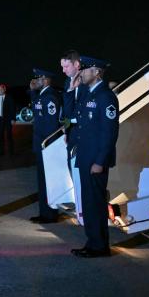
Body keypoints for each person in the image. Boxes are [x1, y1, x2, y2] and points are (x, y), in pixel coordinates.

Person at [71, 57, 119, 258]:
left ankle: (99, 246)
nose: (81, 73)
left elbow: (110, 133)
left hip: (95, 161)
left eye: (85, 69)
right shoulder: (87, 93)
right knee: (88, 202)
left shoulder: (105, 97)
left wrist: (100, 162)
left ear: (97, 72)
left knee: (96, 204)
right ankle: (93, 242)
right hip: (85, 158)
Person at [29, 69, 61, 224]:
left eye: (39, 78)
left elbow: (51, 125)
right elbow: (36, 110)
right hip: (42, 145)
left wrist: (48, 145)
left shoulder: (50, 97)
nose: (37, 81)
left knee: (48, 181)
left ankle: (49, 214)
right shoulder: (43, 95)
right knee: (42, 181)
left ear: (46, 80)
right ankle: (45, 212)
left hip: (46, 146)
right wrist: (32, 91)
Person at [60, 50, 88, 223]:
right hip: (72, 134)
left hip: (84, 134)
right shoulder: (68, 82)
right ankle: (80, 211)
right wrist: (66, 128)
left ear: (77, 64)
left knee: (84, 176)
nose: (63, 70)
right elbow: (67, 110)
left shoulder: (87, 81)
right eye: (62, 67)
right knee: (74, 172)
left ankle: (86, 214)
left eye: (66, 66)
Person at [0, 83, 16, 155]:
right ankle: (1, 151)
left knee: (9, 136)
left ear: (4, 89)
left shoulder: (9, 98)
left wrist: (13, 119)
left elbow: (12, 109)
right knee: (0, 136)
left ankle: (11, 152)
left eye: (1, 89)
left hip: (8, 120)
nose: (0, 90)